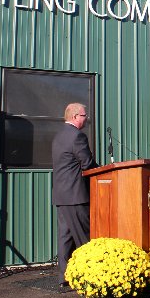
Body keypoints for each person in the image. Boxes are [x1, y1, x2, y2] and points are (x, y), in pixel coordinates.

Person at [52, 103, 98, 287]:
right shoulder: (77, 136)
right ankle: (90, 276)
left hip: (62, 196)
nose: (86, 118)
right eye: (84, 115)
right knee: (85, 238)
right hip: (76, 196)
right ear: (75, 117)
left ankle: (64, 277)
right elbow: (87, 164)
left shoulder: (58, 136)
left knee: (66, 237)